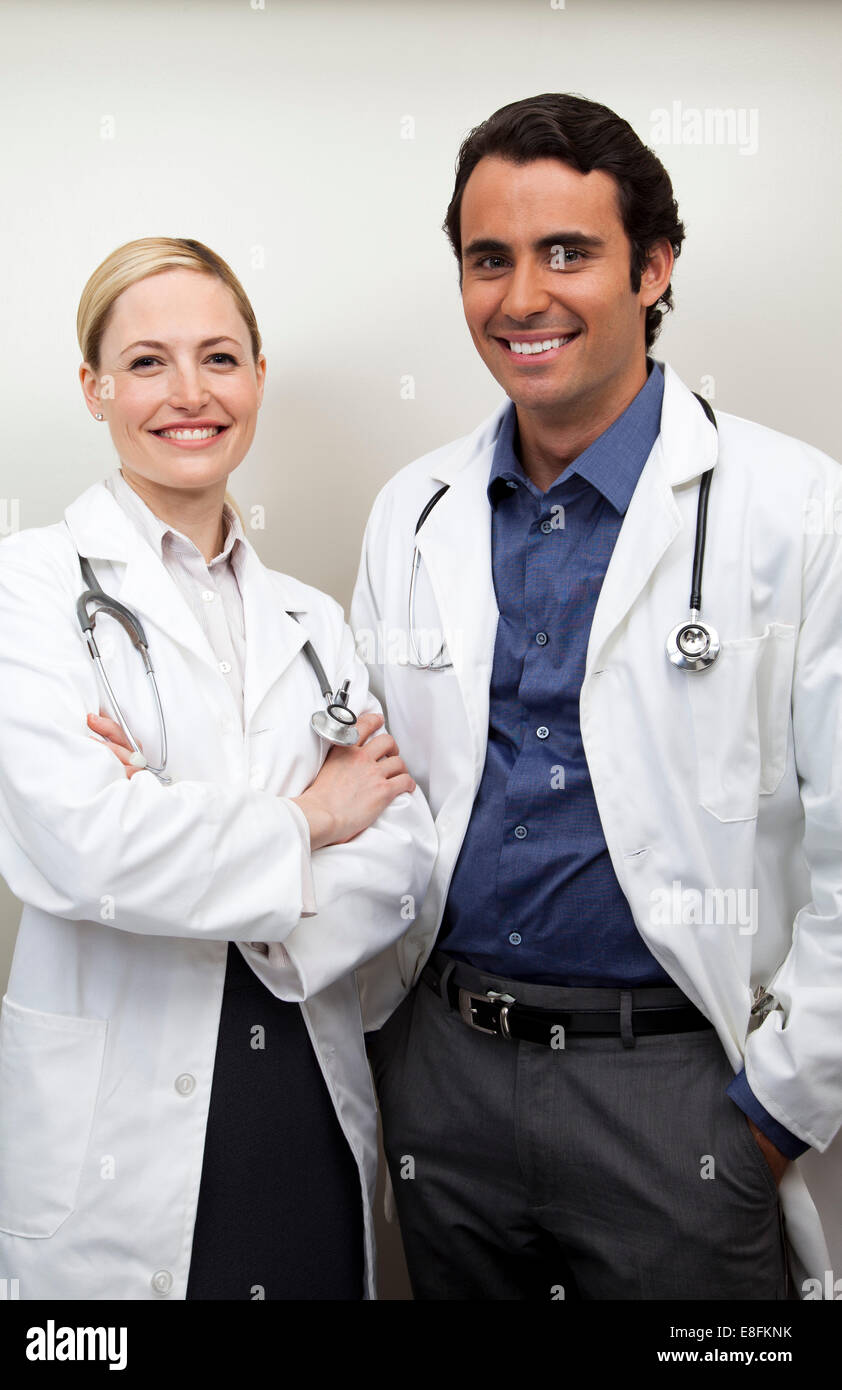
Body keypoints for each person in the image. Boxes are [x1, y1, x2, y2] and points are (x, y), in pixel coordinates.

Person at [351, 94, 842, 1300]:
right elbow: (366, 784)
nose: (522, 297)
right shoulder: (414, 511)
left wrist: (776, 1107)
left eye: (566, 251)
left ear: (653, 266)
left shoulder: (797, 512)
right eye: (488, 259)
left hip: (678, 1089)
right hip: (445, 1070)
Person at [0, 236, 437, 1300]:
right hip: (110, 1136)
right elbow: (87, 848)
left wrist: (174, 820)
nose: (189, 393)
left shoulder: (313, 621)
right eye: (145, 362)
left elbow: (403, 860)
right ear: (92, 388)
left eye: (219, 358)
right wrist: (316, 817)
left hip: (306, 1104)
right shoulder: (29, 586)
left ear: (258, 378)